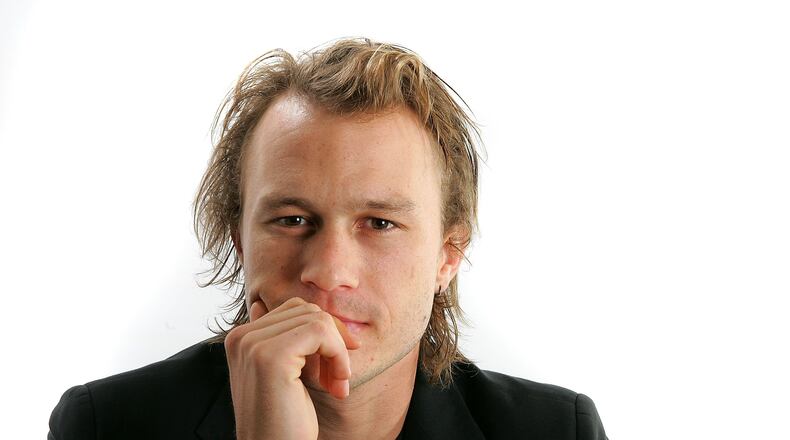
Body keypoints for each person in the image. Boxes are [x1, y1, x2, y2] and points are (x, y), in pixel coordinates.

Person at [48, 37, 608, 440]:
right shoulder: (105, 425)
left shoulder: (555, 430)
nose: (329, 271)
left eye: (380, 223)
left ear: (448, 255)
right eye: (293, 220)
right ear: (240, 241)